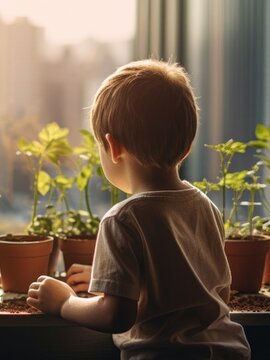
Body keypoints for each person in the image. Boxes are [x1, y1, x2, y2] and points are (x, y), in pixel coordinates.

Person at [26, 59, 251, 359]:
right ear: (187, 147)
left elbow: (115, 316)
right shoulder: (206, 207)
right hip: (229, 352)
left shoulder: (123, 219)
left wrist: (65, 302)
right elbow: (214, 293)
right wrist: (116, 280)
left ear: (113, 147)